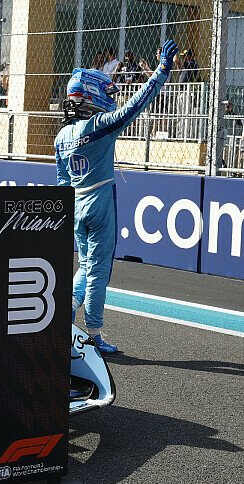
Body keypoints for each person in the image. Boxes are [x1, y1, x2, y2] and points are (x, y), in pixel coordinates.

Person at [55, 39, 180, 354]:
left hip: (75, 205)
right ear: (93, 95)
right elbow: (136, 104)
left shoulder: (60, 137)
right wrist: (162, 71)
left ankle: (65, 315)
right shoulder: (100, 125)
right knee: (99, 270)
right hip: (100, 202)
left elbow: (61, 181)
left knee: (84, 264)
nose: (110, 98)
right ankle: (93, 335)